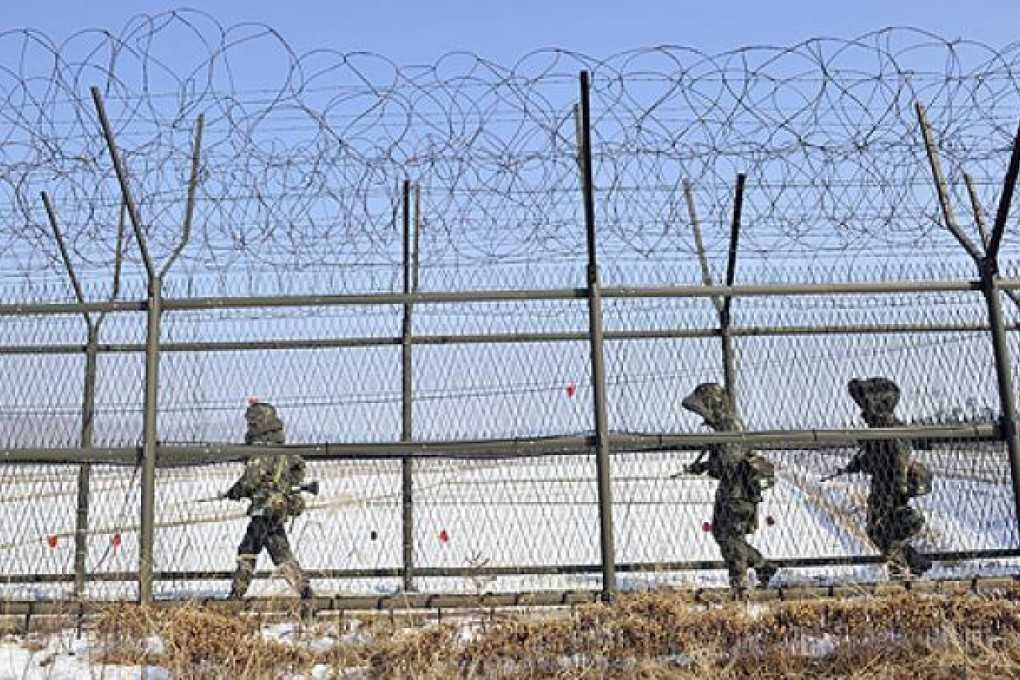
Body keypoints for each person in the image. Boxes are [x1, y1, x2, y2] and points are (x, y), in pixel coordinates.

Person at [675, 382, 778, 595]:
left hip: (737, 492)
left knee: (730, 537)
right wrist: (703, 466)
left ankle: (740, 584)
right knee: (726, 535)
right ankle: (763, 567)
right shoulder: (724, 425)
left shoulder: (729, 425)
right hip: (732, 491)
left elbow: (726, 463)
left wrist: (706, 467)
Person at [833, 377, 932, 580]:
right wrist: (855, 465)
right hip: (882, 485)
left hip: (891, 488)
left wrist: (899, 485)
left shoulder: (891, 428)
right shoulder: (879, 428)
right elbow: (872, 456)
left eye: (865, 405)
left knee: (883, 531)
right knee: (880, 531)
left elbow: (898, 457)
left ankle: (901, 573)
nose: (863, 411)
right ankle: (912, 564)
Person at [224, 400, 314, 600]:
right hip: (276, 508)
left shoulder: (260, 449)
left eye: (251, 423)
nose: (248, 427)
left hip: (264, 510)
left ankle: (305, 593)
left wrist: (236, 491)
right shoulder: (282, 449)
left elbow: (251, 479)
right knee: (258, 549)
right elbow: (298, 469)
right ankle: (237, 594)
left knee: (268, 552)